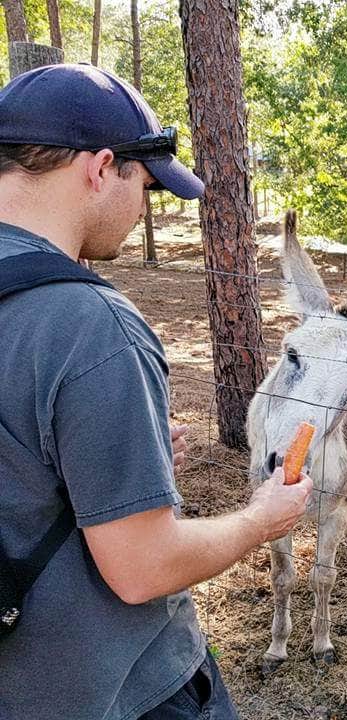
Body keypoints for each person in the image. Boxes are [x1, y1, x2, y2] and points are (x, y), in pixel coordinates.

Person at [0, 64, 313, 719]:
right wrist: (263, 519)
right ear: (101, 168)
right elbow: (141, 569)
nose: (142, 207)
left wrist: (104, 467)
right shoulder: (92, 326)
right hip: (112, 689)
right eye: (143, 183)